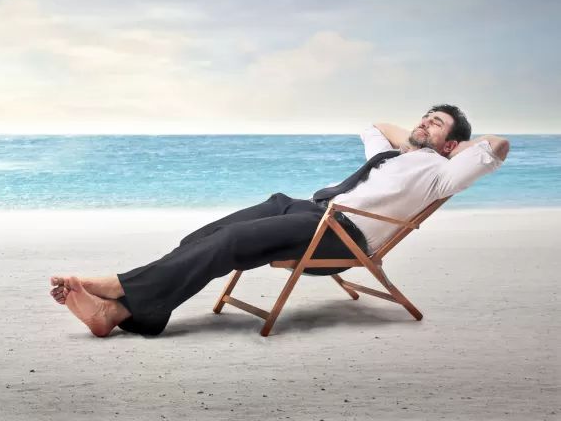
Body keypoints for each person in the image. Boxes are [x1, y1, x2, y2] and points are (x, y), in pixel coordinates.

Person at [50, 104, 510, 337]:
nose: (423, 124)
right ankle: (131, 312)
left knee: (231, 243)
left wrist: (448, 149)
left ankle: (117, 288)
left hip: (341, 235)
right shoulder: (396, 155)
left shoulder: (441, 173)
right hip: (308, 210)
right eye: (423, 118)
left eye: (435, 123)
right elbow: (374, 127)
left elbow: (497, 145)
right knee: (205, 234)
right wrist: (417, 137)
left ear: (452, 145)